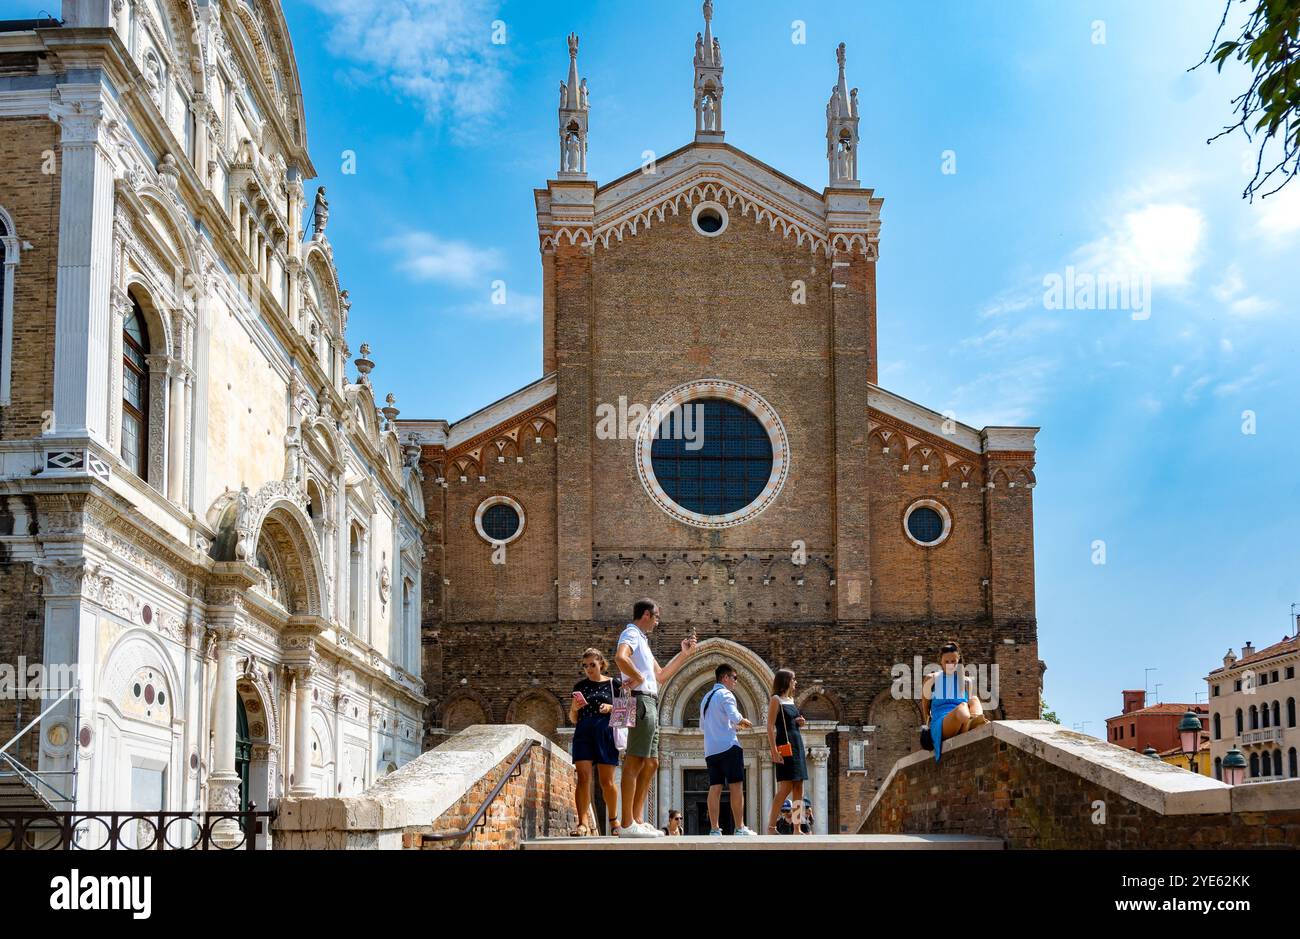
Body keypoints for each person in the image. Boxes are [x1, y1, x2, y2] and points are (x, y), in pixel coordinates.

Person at [615, 598, 698, 838]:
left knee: (652, 763)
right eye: (657, 616)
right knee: (634, 761)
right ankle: (628, 823)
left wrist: (684, 654)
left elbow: (661, 676)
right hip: (640, 701)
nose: (658, 621)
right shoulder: (630, 633)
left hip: (650, 701)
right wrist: (638, 677)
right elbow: (621, 657)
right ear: (646, 615)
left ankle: (638, 819)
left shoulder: (642, 641)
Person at [568, 648, 622, 836]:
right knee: (583, 778)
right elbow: (573, 718)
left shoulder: (615, 684)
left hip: (605, 733)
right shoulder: (579, 686)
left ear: (601, 663)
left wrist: (611, 708)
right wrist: (574, 708)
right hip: (583, 732)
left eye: (592, 664)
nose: (589, 669)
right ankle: (582, 823)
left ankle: (614, 820)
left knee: (607, 782)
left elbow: (627, 714)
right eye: (585, 666)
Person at [700, 663, 757, 836]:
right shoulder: (726, 694)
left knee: (715, 787)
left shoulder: (706, 698)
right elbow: (734, 716)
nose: (736, 682)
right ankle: (740, 827)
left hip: (711, 750)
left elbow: (703, 727)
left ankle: (714, 829)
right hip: (728, 746)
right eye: (734, 678)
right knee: (736, 786)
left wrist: (732, 725)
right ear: (725, 678)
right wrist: (744, 722)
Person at [920, 640, 990, 764]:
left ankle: (975, 722)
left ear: (959, 661)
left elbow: (970, 704)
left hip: (964, 719)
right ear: (940, 661)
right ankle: (975, 723)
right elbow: (925, 705)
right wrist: (927, 723)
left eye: (953, 661)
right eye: (946, 661)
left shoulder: (967, 681)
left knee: (974, 699)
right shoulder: (932, 679)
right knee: (962, 707)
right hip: (942, 723)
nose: (950, 664)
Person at [765, 667, 808, 835]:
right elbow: (769, 726)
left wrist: (800, 721)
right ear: (786, 682)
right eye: (793, 679)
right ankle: (771, 827)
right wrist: (774, 751)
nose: (795, 682)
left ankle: (797, 828)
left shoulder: (791, 700)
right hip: (784, 744)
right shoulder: (776, 699)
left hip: (797, 744)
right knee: (785, 788)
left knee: (799, 786)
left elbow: (792, 722)